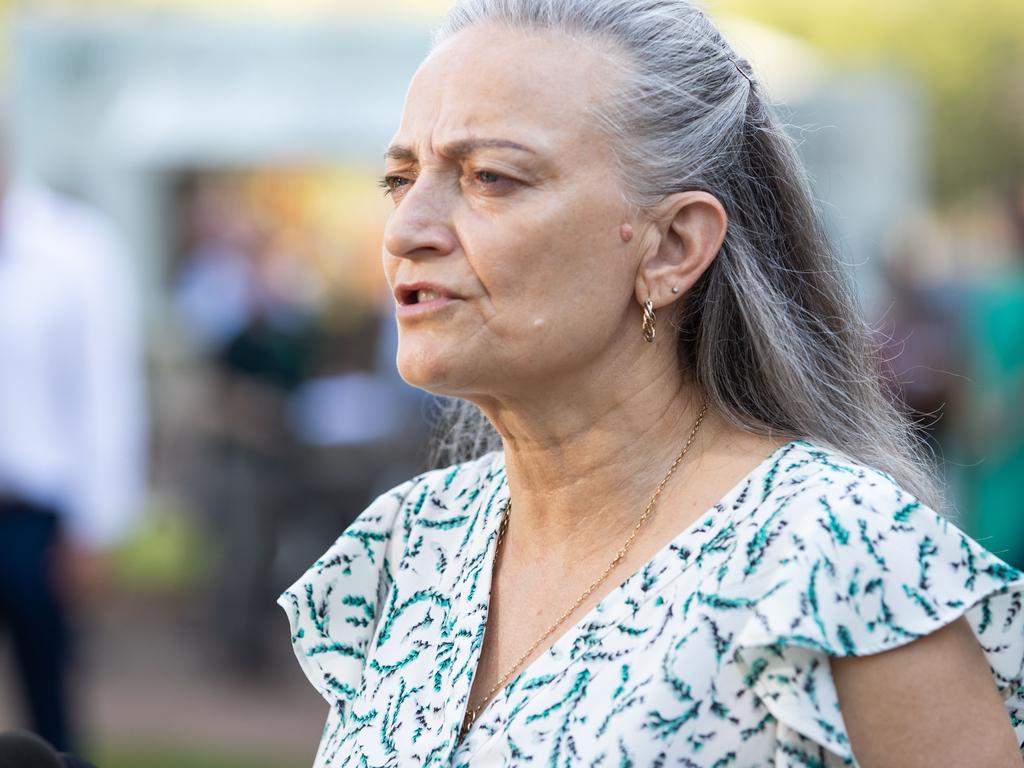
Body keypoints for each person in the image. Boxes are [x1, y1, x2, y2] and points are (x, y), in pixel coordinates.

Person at [278, 1, 1024, 765]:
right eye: (400, 178)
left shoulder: (838, 553)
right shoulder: (416, 540)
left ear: (671, 246)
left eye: (490, 177)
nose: (405, 230)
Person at [0, 177, 146, 753]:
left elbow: (106, 392)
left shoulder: (74, 247)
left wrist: (96, 525)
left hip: (35, 516)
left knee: (49, 703)